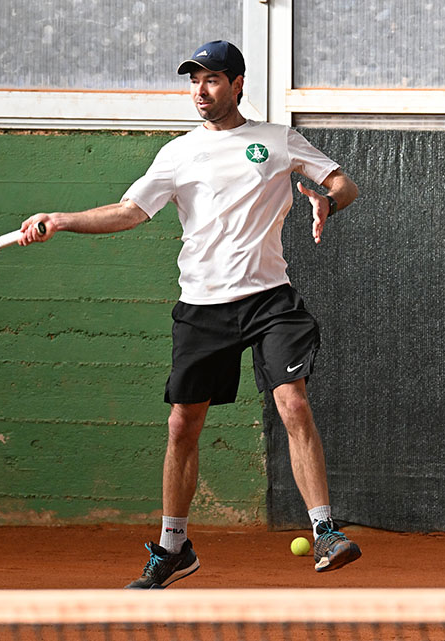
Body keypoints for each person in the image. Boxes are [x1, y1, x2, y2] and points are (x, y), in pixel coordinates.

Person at [18, 40, 361, 588]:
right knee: (183, 424)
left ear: (238, 84)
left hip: (269, 300)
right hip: (203, 305)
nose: (201, 91)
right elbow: (130, 211)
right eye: (195, 81)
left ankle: (325, 531)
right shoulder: (178, 153)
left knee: (293, 402)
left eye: (212, 80)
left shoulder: (276, 140)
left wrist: (328, 200)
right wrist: (63, 219)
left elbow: (342, 182)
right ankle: (174, 547)